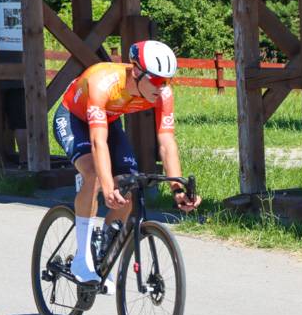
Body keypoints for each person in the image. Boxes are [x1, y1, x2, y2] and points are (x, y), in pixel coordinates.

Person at [52, 40, 200, 285]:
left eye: (167, 80)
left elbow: (166, 142)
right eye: (155, 80)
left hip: (109, 120)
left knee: (130, 187)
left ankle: (103, 252)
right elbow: (98, 142)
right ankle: (81, 258)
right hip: (73, 118)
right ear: (136, 71)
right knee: (95, 176)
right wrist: (107, 186)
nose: (162, 87)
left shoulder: (162, 94)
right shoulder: (102, 82)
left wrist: (178, 189)